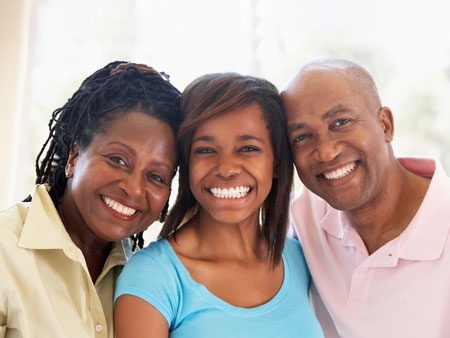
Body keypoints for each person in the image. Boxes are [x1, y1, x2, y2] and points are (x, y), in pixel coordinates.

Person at [114, 73, 324, 338]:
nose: (226, 169)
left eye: (248, 148)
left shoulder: (299, 258)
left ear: (277, 163)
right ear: (187, 164)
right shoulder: (153, 276)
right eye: (205, 150)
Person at [0, 61, 181, 338]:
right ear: (73, 157)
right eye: (118, 159)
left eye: (156, 176)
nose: (133, 189)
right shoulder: (5, 251)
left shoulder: (150, 279)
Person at [281, 58, 450, 338]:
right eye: (302, 137)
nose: (325, 152)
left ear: (385, 125)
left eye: (340, 122)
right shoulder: (302, 216)